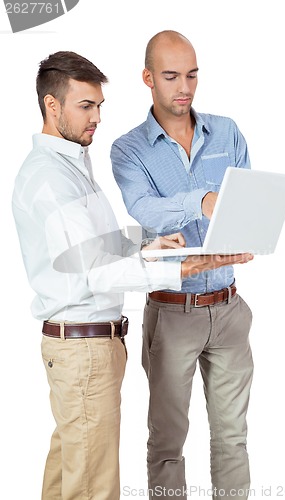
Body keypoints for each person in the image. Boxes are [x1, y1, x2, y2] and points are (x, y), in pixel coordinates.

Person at [11, 51, 252, 500]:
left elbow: (97, 246)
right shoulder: (50, 178)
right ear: (52, 105)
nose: (97, 117)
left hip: (91, 346)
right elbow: (96, 274)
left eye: (100, 105)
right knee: (93, 486)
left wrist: (147, 246)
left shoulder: (71, 166)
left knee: (70, 477)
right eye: (86, 106)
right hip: (82, 348)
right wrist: (176, 270)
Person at [111, 31, 254, 499]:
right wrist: (205, 200)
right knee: (168, 443)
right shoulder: (128, 149)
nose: (184, 87)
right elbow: (146, 210)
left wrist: (249, 228)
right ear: (148, 78)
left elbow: (248, 203)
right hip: (173, 313)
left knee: (233, 438)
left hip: (230, 308)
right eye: (171, 76)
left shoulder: (227, 131)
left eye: (191, 74)